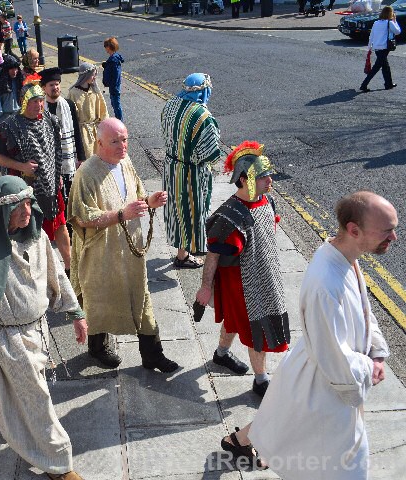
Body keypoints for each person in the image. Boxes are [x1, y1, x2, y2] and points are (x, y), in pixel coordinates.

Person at [221, 191, 395, 479]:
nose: (394, 237)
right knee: (341, 466)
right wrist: (369, 367)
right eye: (387, 231)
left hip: (317, 369)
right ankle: (241, 443)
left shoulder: (344, 255)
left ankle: (238, 442)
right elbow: (335, 358)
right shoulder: (325, 282)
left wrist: (376, 349)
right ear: (354, 230)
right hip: (329, 380)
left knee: (282, 418)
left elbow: (363, 310)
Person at [0, 175, 88, 480]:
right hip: (8, 340)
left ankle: (21, 433)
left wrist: (76, 313)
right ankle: (59, 464)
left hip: (38, 330)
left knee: (25, 397)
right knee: (38, 400)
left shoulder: (37, 238)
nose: (26, 211)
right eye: (17, 206)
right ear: (2, 211)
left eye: (28, 203)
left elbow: (57, 276)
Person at [68, 118, 177, 372]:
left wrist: (150, 201)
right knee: (100, 299)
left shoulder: (126, 162)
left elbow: (137, 197)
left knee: (142, 296)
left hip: (129, 248)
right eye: (115, 141)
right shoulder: (86, 173)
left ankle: (152, 354)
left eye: (125, 139)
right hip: (101, 253)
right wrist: (121, 215)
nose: (122, 146)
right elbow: (82, 217)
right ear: (100, 143)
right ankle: (97, 348)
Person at [195, 141, 290, 398]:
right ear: (246, 179)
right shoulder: (229, 216)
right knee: (256, 330)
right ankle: (261, 380)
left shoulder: (267, 202)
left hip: (265, 276)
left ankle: (221, 354)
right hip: (242, 285)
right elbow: (213, 254)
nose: (270, 180)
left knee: (234, 322)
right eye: (263, 176)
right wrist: (205, 287)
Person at [0, 82, 68, 257]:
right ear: (23, 101)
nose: (39, 105)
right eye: (34, 101)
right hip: (24, 189)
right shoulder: (9, 126)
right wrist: (21, 166)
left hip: (51, 185)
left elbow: (55, 152)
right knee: (29, 233)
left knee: (60, 225)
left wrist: (57, 174)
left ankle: (70, 266)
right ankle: (34, 268)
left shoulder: (50, 120)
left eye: (41, 100)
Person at [161, 73, 223, 269]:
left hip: (171, 167)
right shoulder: (203, 116)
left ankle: (185, 249)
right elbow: (211, 154)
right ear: (204, 91)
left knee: (175, 211)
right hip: (191, 173)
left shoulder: (170, 105)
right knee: (191, 212)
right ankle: (184, 255)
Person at [40, 68, 85, 203]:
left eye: (57, 84)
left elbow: (76, 131)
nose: (55, 87)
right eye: (51, 85)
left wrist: (81, 158)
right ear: (44, 88)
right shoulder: (40, 107)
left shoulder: (69, 105)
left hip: (68, 158)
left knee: (71, 195)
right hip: (49, 159)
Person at [67, 62, 109, 161]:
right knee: (87, 158)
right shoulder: (73, 93)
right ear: (86, 75)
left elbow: (103, 111)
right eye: (93, 75)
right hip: (82, 133)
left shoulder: (95, 91)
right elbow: (70, 116)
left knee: (99, 157)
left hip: (96, 130)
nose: (95, 78)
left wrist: (105, 128)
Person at [360, 6, 400, 92]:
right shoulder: (390, 23)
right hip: (384, 47)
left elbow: (372, 35)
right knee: (377, 67)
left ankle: (388, 84)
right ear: (390, 14)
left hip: (377, 47)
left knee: (385, 66)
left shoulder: (376, 22)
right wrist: (395, 21)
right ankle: (364, 84)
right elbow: (398, 31)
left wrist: (369, 47)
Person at [0, 54, 23, 134]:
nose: (14, 71)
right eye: (11, 69)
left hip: (19, 117)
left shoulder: (19, 81)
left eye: (16, 68)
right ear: (6, 70)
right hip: (4, 119)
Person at [102, 37, 124, 121]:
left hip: (114, 87)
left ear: (109, 47)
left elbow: (116, 74)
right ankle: (118, 120)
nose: (105, 48)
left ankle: (120, 122)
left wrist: (112, 85)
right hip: (114, 86)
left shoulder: (113, 60)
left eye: (105, 46)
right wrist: (106, 65)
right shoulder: (114, 58)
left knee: (116, 105)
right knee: (114, 104)